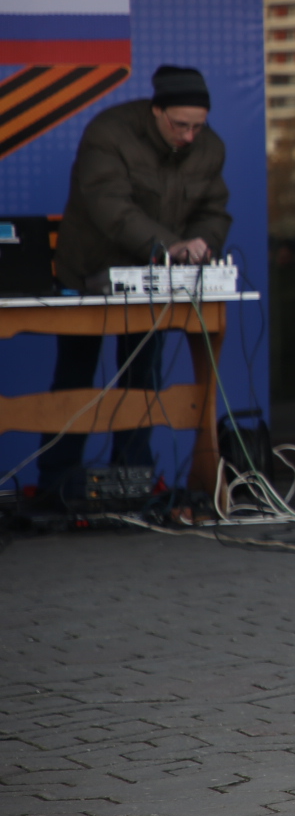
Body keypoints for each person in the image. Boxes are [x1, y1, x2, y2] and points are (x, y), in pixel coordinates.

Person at [37, 66, 231, 501]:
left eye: (198, 127)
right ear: (156, 111)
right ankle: (56, 482)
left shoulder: (209, 147)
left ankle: (133, 481)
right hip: (88, 272)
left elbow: (214, 209)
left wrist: (203, 242)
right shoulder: (109, 133)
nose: (189, 136)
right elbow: (111, 209)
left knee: (143, 376)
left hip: (155, 279)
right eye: (180, 125)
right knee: (75, 378)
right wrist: (171, 247)